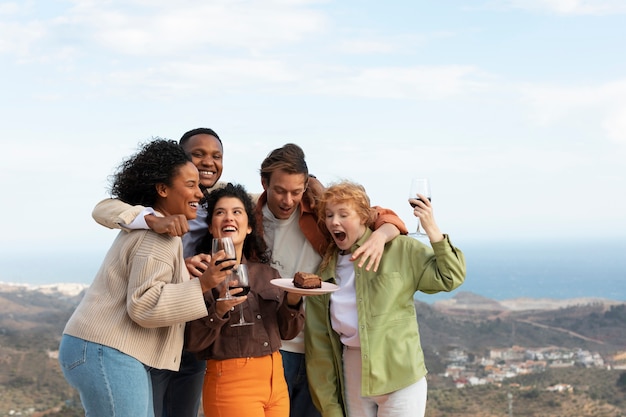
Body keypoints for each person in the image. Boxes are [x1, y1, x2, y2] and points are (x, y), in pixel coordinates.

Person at [58, 139, 230, 417]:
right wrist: (203, 284)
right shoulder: (158, 233)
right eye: (190, 185)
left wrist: (184, 271)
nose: (200, 193)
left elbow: (147, 286)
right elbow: (144, 306)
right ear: (162, 189)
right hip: (107, 351)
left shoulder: (158, 228)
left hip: (101, 351)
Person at [254, 144, 409, 417]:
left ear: (305, 187)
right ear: (264, 183)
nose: (288, 200)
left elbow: (383, 216)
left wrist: (380, 237)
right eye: (279, 190)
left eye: (296, 191)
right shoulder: (249, 217)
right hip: (271, 346)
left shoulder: (319, 212)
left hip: (320, 348)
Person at [304, 181, 467, 417]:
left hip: (401, 377)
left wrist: (431, 228)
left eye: (343, 214)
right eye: (329, 215)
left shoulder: (399, 249)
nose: (334, 222)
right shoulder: (325, 271)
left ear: (363, 217)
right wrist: (331, 408)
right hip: (353, 375)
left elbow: (450, 277)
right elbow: (319, 346)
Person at [185, 183, 305, 417]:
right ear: (211, 227)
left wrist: (293, 300)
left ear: (249, 227)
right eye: (220, 212)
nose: (229, 217)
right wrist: (219, 310)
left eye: (237, 212)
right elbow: (193, 341)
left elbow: (287, 332)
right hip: (231, 381)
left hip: (276, 379)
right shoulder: (199, 276)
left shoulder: (268, 275)